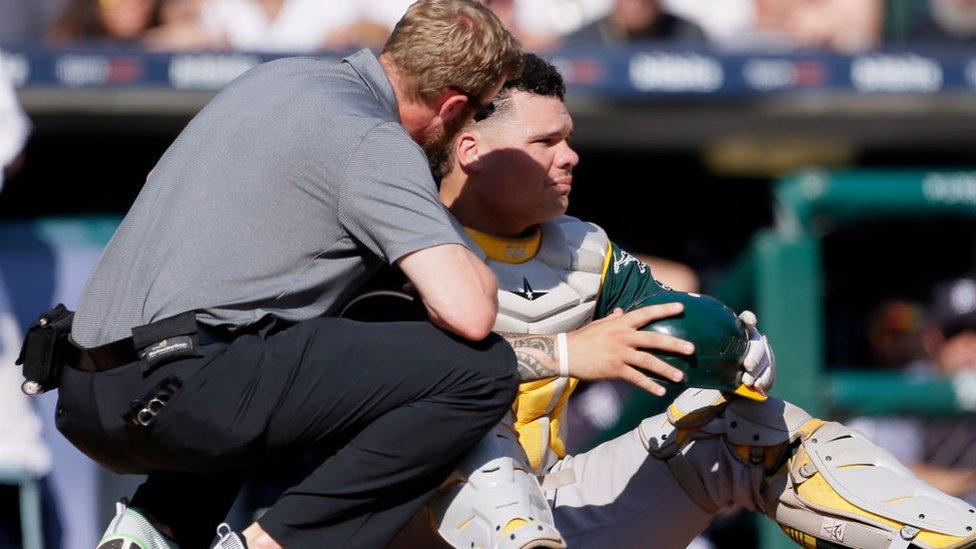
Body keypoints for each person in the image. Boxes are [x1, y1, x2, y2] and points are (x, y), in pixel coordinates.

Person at [402, 53, 976, 549]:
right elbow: (394, 380)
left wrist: (735, 342)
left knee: (741, 429)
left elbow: (674, 313)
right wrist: (568, 352)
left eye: (569, 137)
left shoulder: (580, 247)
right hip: (415, 519)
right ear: (473, 149)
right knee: (482, 448)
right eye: (545, 142)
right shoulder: (397, 237)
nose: (570, 155)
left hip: (553, 498)